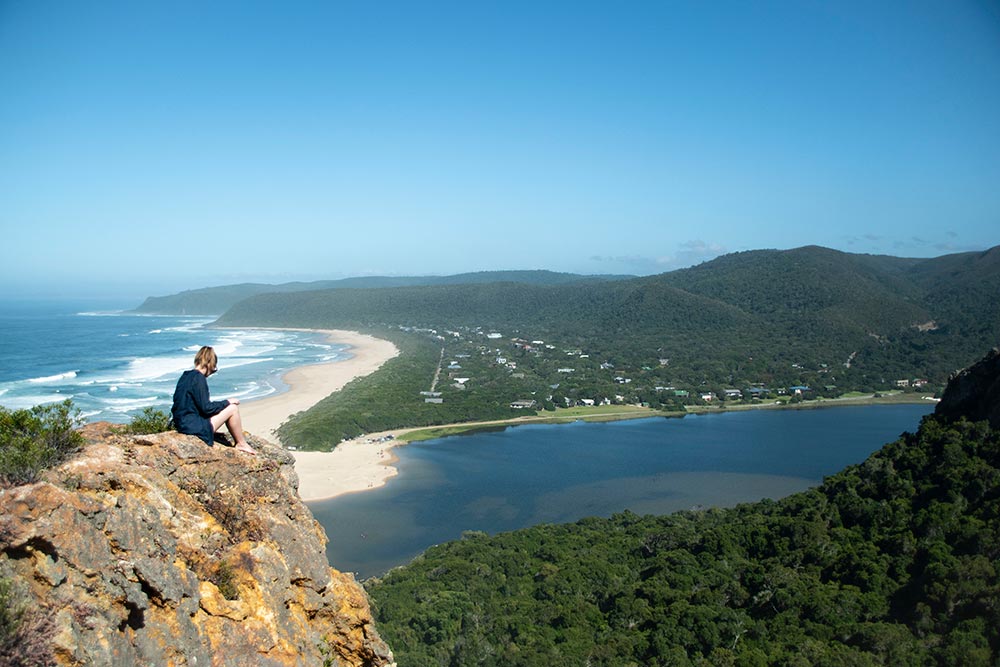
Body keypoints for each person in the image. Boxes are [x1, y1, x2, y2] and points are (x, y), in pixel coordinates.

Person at [172, 345, 255, 454]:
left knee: (225, 408)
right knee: (233, 408)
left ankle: (241, 443)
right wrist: (227, 402)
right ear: (209, 364)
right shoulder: (199, 378)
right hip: (193, 427)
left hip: (181, 423)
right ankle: (241, 443)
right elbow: (206, 408)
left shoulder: (185, 376)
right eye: (213, 369)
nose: (211, 373)